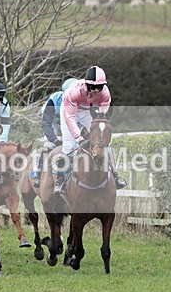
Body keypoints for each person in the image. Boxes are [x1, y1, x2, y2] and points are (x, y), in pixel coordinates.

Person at [54, 65, 127, 195]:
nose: (95, 90)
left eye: (99, 87)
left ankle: (116, 176)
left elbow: (103, 113)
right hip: (69, 112)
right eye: (92, 87)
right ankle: (60, 181)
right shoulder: (74, 91)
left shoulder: (105, 92)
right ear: (86, 84)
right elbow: (70, 117)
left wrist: (99, 126)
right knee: (69, 147)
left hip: (88, 112)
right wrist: (79, 137)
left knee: (104, 144)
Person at [30, 77, 77, 187]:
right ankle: (38, 172)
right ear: (63, 93)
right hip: (53, 122)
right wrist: (54, 139)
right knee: (49, 145)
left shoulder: (79, 101)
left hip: (69, 122)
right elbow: (46, 124)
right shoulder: (54, 100)